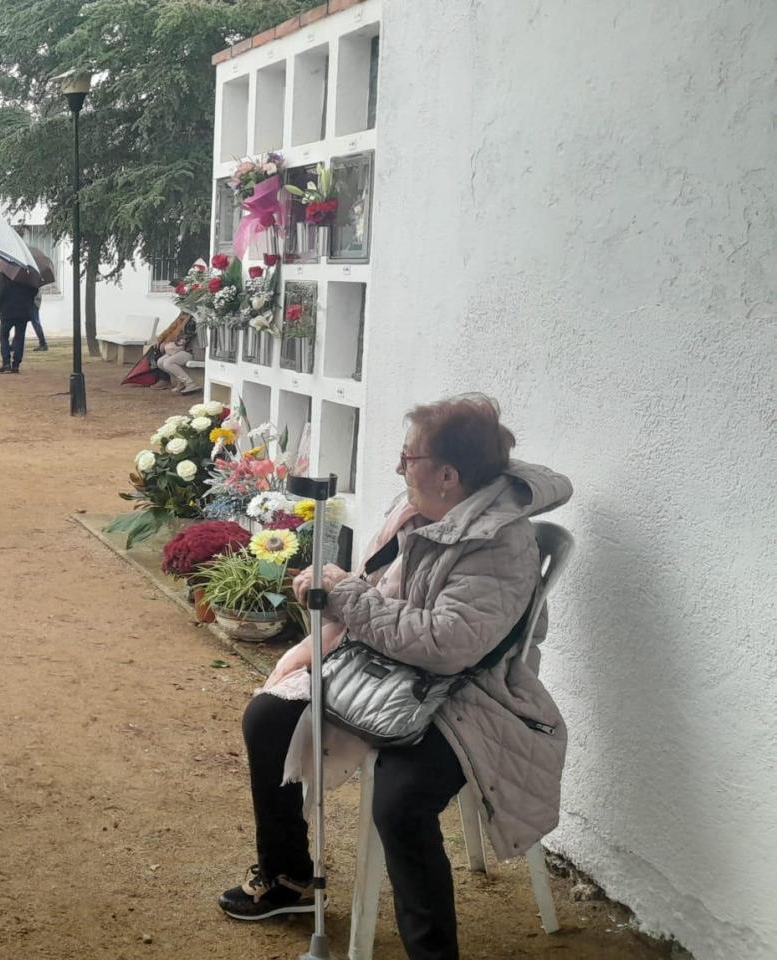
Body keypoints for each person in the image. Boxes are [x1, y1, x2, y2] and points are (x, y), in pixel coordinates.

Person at [219, 395, 571, 960]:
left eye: (409, 457)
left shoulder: (498, 544)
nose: (398, 467)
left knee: (399, 801)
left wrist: (345, 595)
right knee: (269, 717)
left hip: (468, 699)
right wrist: (326, 609)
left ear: (448, 476)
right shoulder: (422, 515)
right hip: (391, 674)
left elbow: (447, 645)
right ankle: (288, 879)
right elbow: (382, 602)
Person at [0, 268, 41, 374]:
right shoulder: (28, 272)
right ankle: (16, 365)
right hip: (23, 311)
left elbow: (0, 291)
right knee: (20, 337)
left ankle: (6, 363)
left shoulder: (6, 271)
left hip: (7, 311)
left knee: (4, 336)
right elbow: (35, 289)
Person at [153, 313, 199, 393]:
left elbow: (185, 338)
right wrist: (161, 340)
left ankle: (190, 383)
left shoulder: (193, 319)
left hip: (190, 350)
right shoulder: (182, 315)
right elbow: (170, 329)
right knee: (160, 362)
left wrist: (169, 343)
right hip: (178, 349)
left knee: (168, 363)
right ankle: (181, 382)